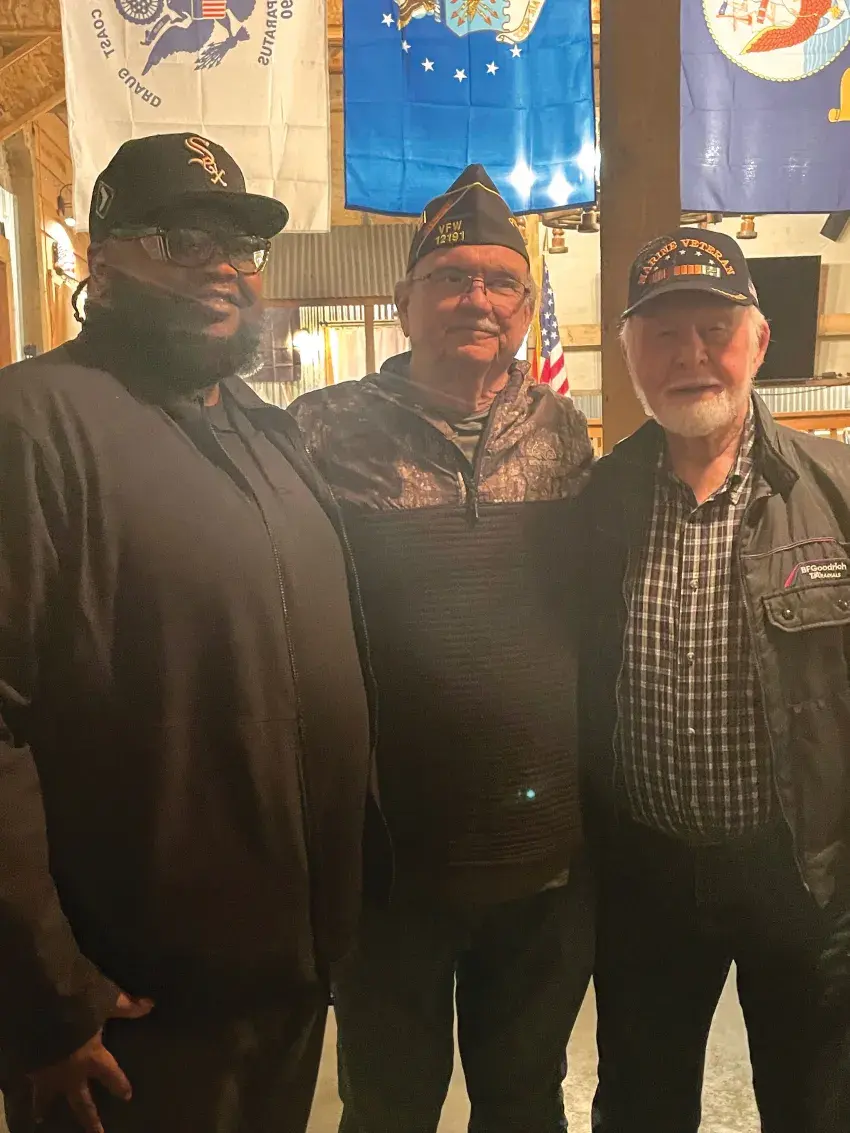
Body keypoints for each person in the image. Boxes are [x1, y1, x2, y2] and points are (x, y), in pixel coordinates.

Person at [0, 133, 378, 1133]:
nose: (220, 266)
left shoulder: (269, 431)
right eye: (180, 240)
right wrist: (47, 997)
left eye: (239, 245)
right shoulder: (32, 424)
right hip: (127, 1016)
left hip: (284, 982)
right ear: (102, 262)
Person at [289, 164, 594, 1133]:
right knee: (387, 1104)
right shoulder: (320, 432)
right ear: (405, 300)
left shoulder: (561, 429)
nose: (478, 299)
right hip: (389, 864)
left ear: (526, 308)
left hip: (544, 861)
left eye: (502, 282)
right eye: (453, 277)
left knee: (525, 1100)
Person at [578, 227, 850, 1133]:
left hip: (804, 877)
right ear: (629, 354)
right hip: (647, 877)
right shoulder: (598, 500)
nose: (690, 354)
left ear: (759, 341)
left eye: (714, 329)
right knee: (641, 1109)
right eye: (662, 333)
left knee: (815, 1110)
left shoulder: (838, 491)